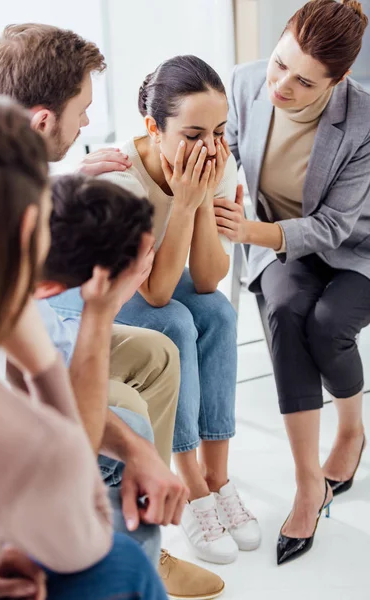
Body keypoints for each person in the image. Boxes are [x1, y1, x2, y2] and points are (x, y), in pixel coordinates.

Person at [0, 24, 226, 598]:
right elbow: (44, 394)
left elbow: (206, 279)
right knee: (136, 404)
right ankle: (139, 542)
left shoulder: (10, 187)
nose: (88, 124)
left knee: (165, 349)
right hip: (40, 509)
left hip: (36, 354)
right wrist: (97, 310)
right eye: (82, 109)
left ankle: (165, 519)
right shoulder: (12, 254)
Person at [57, 55, 262, 565]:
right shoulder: (124, 177)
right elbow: (155, 294)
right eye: (193, 133)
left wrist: (203, 198)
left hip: (155, 284)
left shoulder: (217, 158)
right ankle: (190, 484)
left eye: (219, 131)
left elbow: (211, 279)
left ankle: (218, 477)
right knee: (174, 322)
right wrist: (188, 205)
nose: (210, 147)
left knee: (217, 313)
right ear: (154, 127)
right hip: (110, 299)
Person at [0, 95, 168, 600]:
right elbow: (84, 540)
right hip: (66, 522)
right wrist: (48, 349)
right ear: (28, 231)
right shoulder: (19, 440)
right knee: (122, 559)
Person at [224, 0, 370, 565]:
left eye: (304, 80)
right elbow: (227, 157)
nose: (281, 84)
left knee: (330, 323)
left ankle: (351, 432)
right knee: (285, 312)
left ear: (339, 82)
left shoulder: (362, 119)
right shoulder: (242, 83)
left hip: (355, 246)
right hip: (277, 239)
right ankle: (308, 483)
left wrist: (252, 231)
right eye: (280, 64)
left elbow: (334, 226)